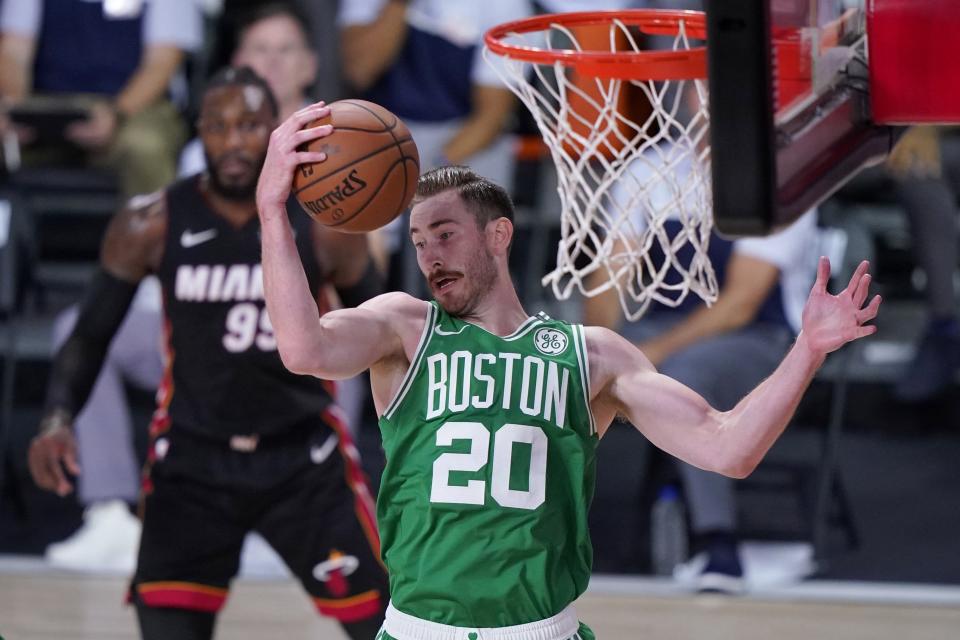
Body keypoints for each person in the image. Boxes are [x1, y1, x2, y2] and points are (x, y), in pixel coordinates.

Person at [256, 103, 881, 637]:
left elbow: (729, 449)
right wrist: (272, 212)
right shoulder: (403, 326)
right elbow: (303, 350)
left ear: (500, 235)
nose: (429, 256)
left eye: (445, 234)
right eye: (419, 243)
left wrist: (807, 350)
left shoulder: (593, 356)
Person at [27, 68, 388, 640]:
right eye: (219, 126)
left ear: (274, 132)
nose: (235, 140)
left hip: (303, 460)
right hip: (192, 461)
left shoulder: (324, 226)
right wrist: (57, 416)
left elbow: (389, 332)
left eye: (249, 125)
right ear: (200, 133)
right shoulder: (150, 223)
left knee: (387, 624)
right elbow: (91, 334)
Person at [337, 0, 532, 292]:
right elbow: (359, 70)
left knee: (472, 212)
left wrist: (430, 170)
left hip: (461, 136)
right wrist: (398, 6)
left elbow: (490, 118)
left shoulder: (506, 7)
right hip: (383, 128)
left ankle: (483, 319)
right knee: (358, 206)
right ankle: (369, 311)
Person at [0, 0, 202, 197]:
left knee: (145, 147)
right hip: (48, 103)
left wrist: (116, 113)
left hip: (135, 106)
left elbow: (161, 64)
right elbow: (13, 52)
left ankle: (154, 229)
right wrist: (16, 109)